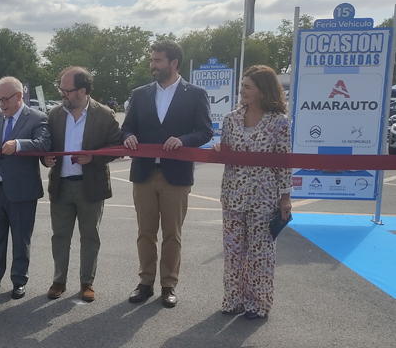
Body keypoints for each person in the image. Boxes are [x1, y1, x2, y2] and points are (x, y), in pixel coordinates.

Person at [122, 40, 212, 307]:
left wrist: (183, 140)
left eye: (158, 60)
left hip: (176, 175)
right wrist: (128, 138)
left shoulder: (195, 93)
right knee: (145, 232)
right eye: (152, 60)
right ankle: (145, 282)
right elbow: (126, 128)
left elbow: (205, 131)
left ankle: (168, 285)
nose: (152, 65)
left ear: (173, 63)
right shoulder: (139, 94)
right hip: (144, 174)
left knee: (172, 233)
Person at [212, 65, 292, 319]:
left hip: (264, 197)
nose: (242, 91)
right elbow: (225, 150)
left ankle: (258, 303)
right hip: (233, 195)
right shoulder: (231, 119)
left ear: (262, 91)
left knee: (260, 253)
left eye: (247, 87)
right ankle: (233, 300)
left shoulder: (278, 123)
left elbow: (284, 162)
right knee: (233, 251)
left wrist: (285, 198)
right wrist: (218, 149)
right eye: (242, 86)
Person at [42, 66, 122, 302]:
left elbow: (116, 146)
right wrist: (44, 158)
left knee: (90, 236)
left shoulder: (105, 114)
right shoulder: (55, 114)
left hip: (91, 186)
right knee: (60, 236)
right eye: (61, 89)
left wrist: (93, 157)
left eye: (66, 90)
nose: (62, 94)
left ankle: (87, 282)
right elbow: (44, 145)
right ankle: (59, 281)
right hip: (61, 185)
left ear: (83, 90)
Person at [0, 76, 51, 299]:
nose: (1, 104)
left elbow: (44, 144)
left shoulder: (37, 118)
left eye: (5, 99)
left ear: (19, 96)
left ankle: (19, 280)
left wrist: (18, 144)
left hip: (22, 191)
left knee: (21, 239)